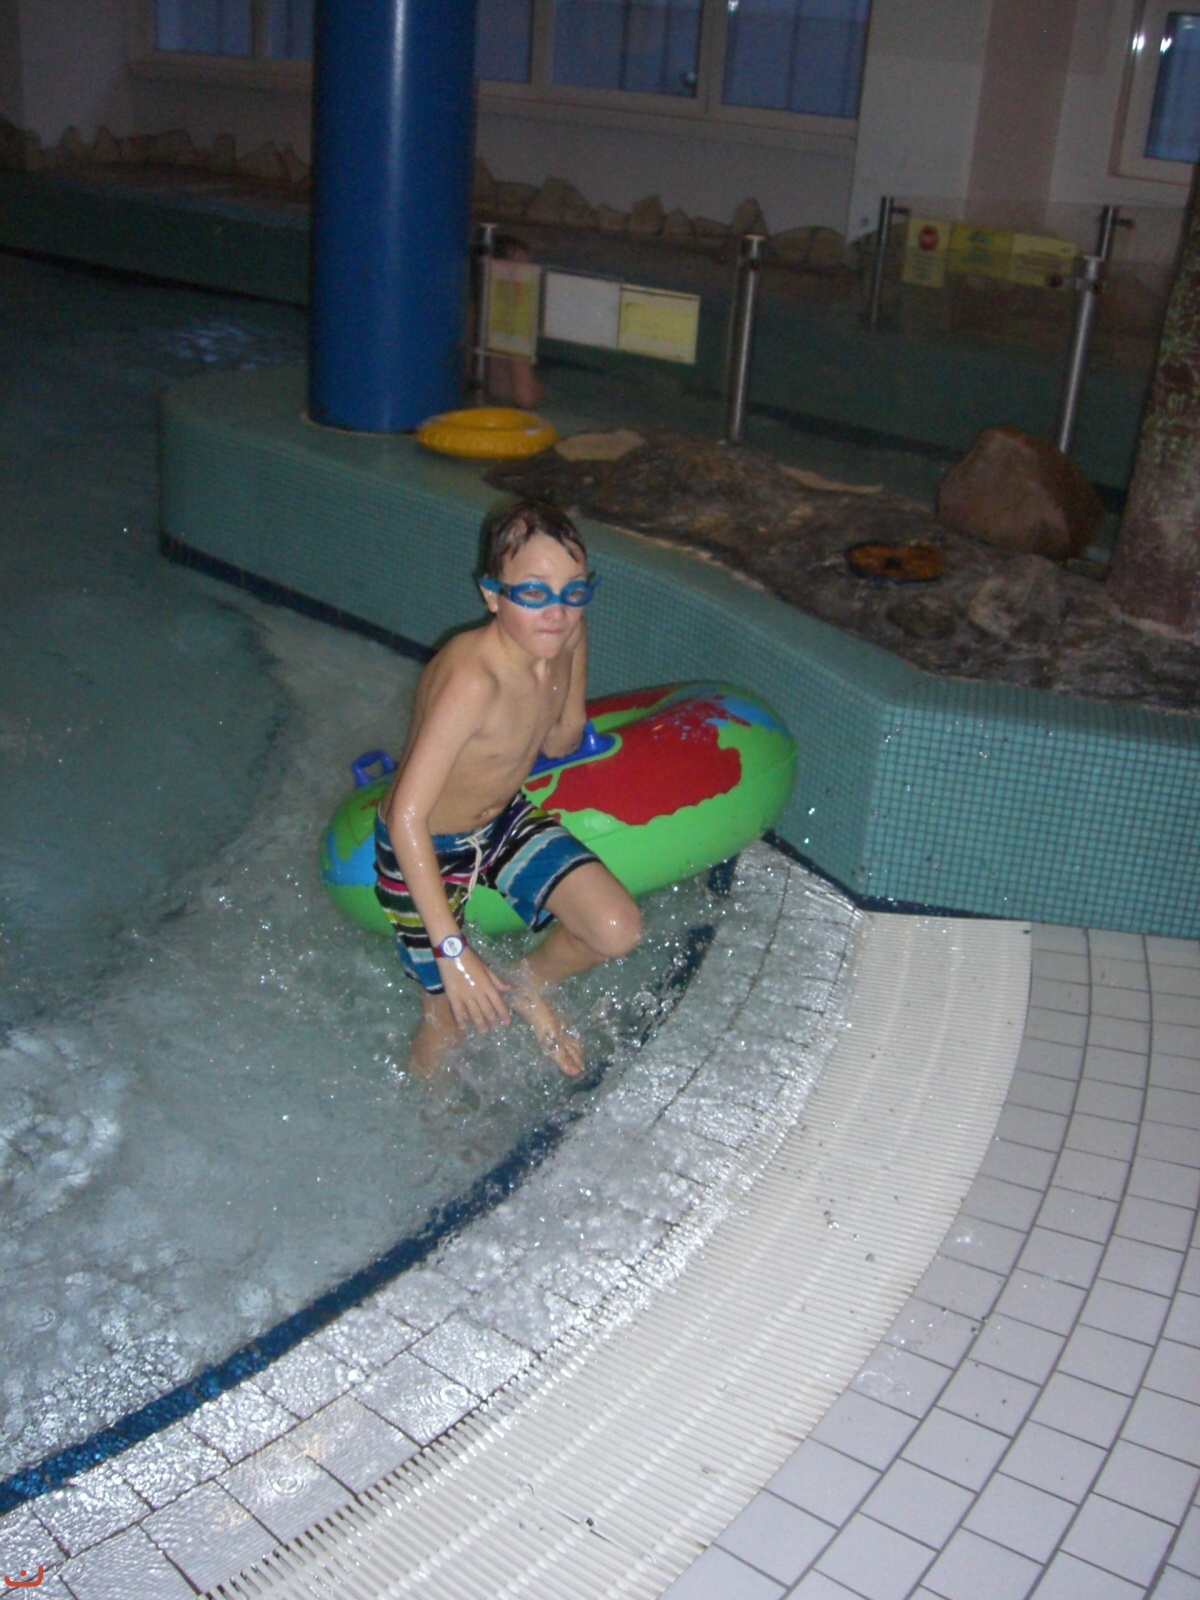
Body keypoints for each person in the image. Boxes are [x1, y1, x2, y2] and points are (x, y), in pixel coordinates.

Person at [375, 500, 642, 1077]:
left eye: (574, 591)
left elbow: (560, 739)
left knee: (616, 930)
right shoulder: (473, 679)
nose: (557, 612)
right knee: (447, 1016)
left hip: (501, 822)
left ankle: (527, 985)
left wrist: (557, 683)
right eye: (534, 592)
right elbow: (405, 817)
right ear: (492, 595)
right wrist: (453, 951)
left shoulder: (568, 636)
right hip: (424, 844)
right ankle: (431, 1117)